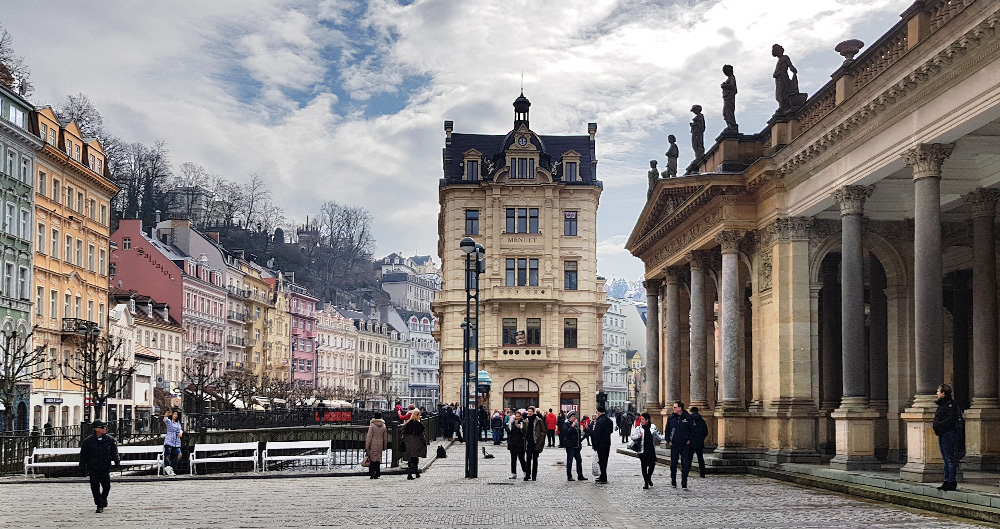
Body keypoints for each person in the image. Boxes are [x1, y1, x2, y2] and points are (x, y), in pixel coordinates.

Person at [79, 420, 120, 513]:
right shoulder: (88, 442)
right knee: (95, 487)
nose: (104, 429)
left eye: (105, 427)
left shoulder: (110, 440)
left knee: (106, 486)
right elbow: (83, 456)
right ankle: (99, 504)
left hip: (105, 467)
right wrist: (82, 468)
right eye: (102, 427)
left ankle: (103, 498)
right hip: (93, 467)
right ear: (96, 429)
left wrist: (117, 461)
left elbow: (114, 452)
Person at [934, 384, 961, 491]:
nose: (937, 393)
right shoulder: (942, 404)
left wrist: (939, 425)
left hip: (949, 433)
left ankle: (951, 481)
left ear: (943, 393)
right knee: (945, 458)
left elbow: (951, 419)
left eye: (938, 391)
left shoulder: (950, 404)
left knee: (950, 458)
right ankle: (947, 480)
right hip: (943, 433)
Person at [631, 412, 664, 489]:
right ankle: (646, 482)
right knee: (644, 465)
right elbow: (632, 437)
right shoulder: (638, 428)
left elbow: (659, 436)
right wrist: (638, 436)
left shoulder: (652, 427)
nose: (641, 421)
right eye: (640, 419)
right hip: (642, 450)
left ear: (647, 420)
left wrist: (669, 437)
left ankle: (648, 477)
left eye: (642, 419)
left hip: (651, 449)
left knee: (652, 464)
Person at [666, 401, 694, 489]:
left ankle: (684, 482)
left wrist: (689, 440)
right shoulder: (671, 418)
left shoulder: (687, 417)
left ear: (679, 408)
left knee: (685, 463)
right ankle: (673, 480)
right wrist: (668, 440)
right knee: (673, 463)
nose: (673, 409)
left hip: (684, 444)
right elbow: (667, 430)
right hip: (674, 444)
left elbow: (692, 430)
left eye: (674, 407)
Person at [562, 411, 588, 481]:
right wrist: (572, 426)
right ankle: (569, 476)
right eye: (572, 416)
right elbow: (567, 434)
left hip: (576, 446)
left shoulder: (575, 425)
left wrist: (580, 444)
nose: (573, 418)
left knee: (579, 460)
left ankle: (580, 475)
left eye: (574, 416)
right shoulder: (566, 424)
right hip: (570, 445)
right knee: (570, 461)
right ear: (569, 417)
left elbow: (578, 435)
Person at [402, 409, 427, 480]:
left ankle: (416, 473)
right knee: (415, 459)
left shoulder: (407, 424)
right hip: (416, 443)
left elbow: (403, 432)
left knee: (413, 458)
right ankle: (410, 473)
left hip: (408, 444)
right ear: (416, 416)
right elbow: (421, 435)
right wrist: (424, 442)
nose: (420, 417)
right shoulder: (418, 425)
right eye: (419, 415)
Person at [592, 406, 614, 484]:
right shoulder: (609, 421)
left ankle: (604, 477)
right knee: (605, 460)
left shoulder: (599, 422)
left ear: (598, 412)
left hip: (600, 444)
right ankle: (602, 475)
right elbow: (611, 431)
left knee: (601, 461)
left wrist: (594, 445)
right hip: (607, 443)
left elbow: (597, 435)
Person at [523, 406, 546, 481]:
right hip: (528, 443)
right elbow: (524, 432)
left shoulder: (538, 420)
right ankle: (527, 475)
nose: (529, 413)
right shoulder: (526, 421)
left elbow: (543, 430)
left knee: (535, 460)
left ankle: (534, 476)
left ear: (534, 412)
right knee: (528, 459)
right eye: (528, 411)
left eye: (531, 411)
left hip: (536, 443)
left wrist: (540, 438)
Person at [365, 412, 388, 479]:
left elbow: (369, 436)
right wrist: (384, 446)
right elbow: (385, 437)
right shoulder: (383, 425)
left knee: (372, 458)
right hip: (380, 443)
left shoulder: (372, 425)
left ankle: (372, 473)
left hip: (373, 443)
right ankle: (378, 472)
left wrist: (367, 446)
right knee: (378, 458)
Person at [505, 409, 527, 479]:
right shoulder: (512, 422)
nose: (517, 417)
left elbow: (524, 433)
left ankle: (525, 472)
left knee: (521, 459)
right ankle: (513, 473)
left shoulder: (523, 423)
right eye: (516, 416)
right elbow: (509, 433)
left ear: (521, 416)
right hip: (513, 443)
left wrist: (520, 427)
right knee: (513, 459)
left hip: (520, 444)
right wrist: (509, 428)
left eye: (518, 416)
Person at [689, 406, 709, 478]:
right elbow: (705, 432)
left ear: (691, 412)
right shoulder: (702, 420)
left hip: (690, 442)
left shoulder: (689, 420)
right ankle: (702, 473)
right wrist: (701, 438)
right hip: (700, 442)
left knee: (689, 458)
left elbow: (687, 431)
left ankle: (686, 471)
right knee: (700, 458)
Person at [162, 410, 182, 476]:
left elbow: (180, 429)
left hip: (176, 441)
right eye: (174, 414)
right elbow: (165, 420)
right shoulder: (169, 422)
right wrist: (166, 415)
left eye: (177, 414)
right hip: (169, 440)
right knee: (168, 455)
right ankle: (168, 468)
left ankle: (169, 467)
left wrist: (180, 433)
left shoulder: (178, 423)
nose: (175, 416)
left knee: (179, 455)